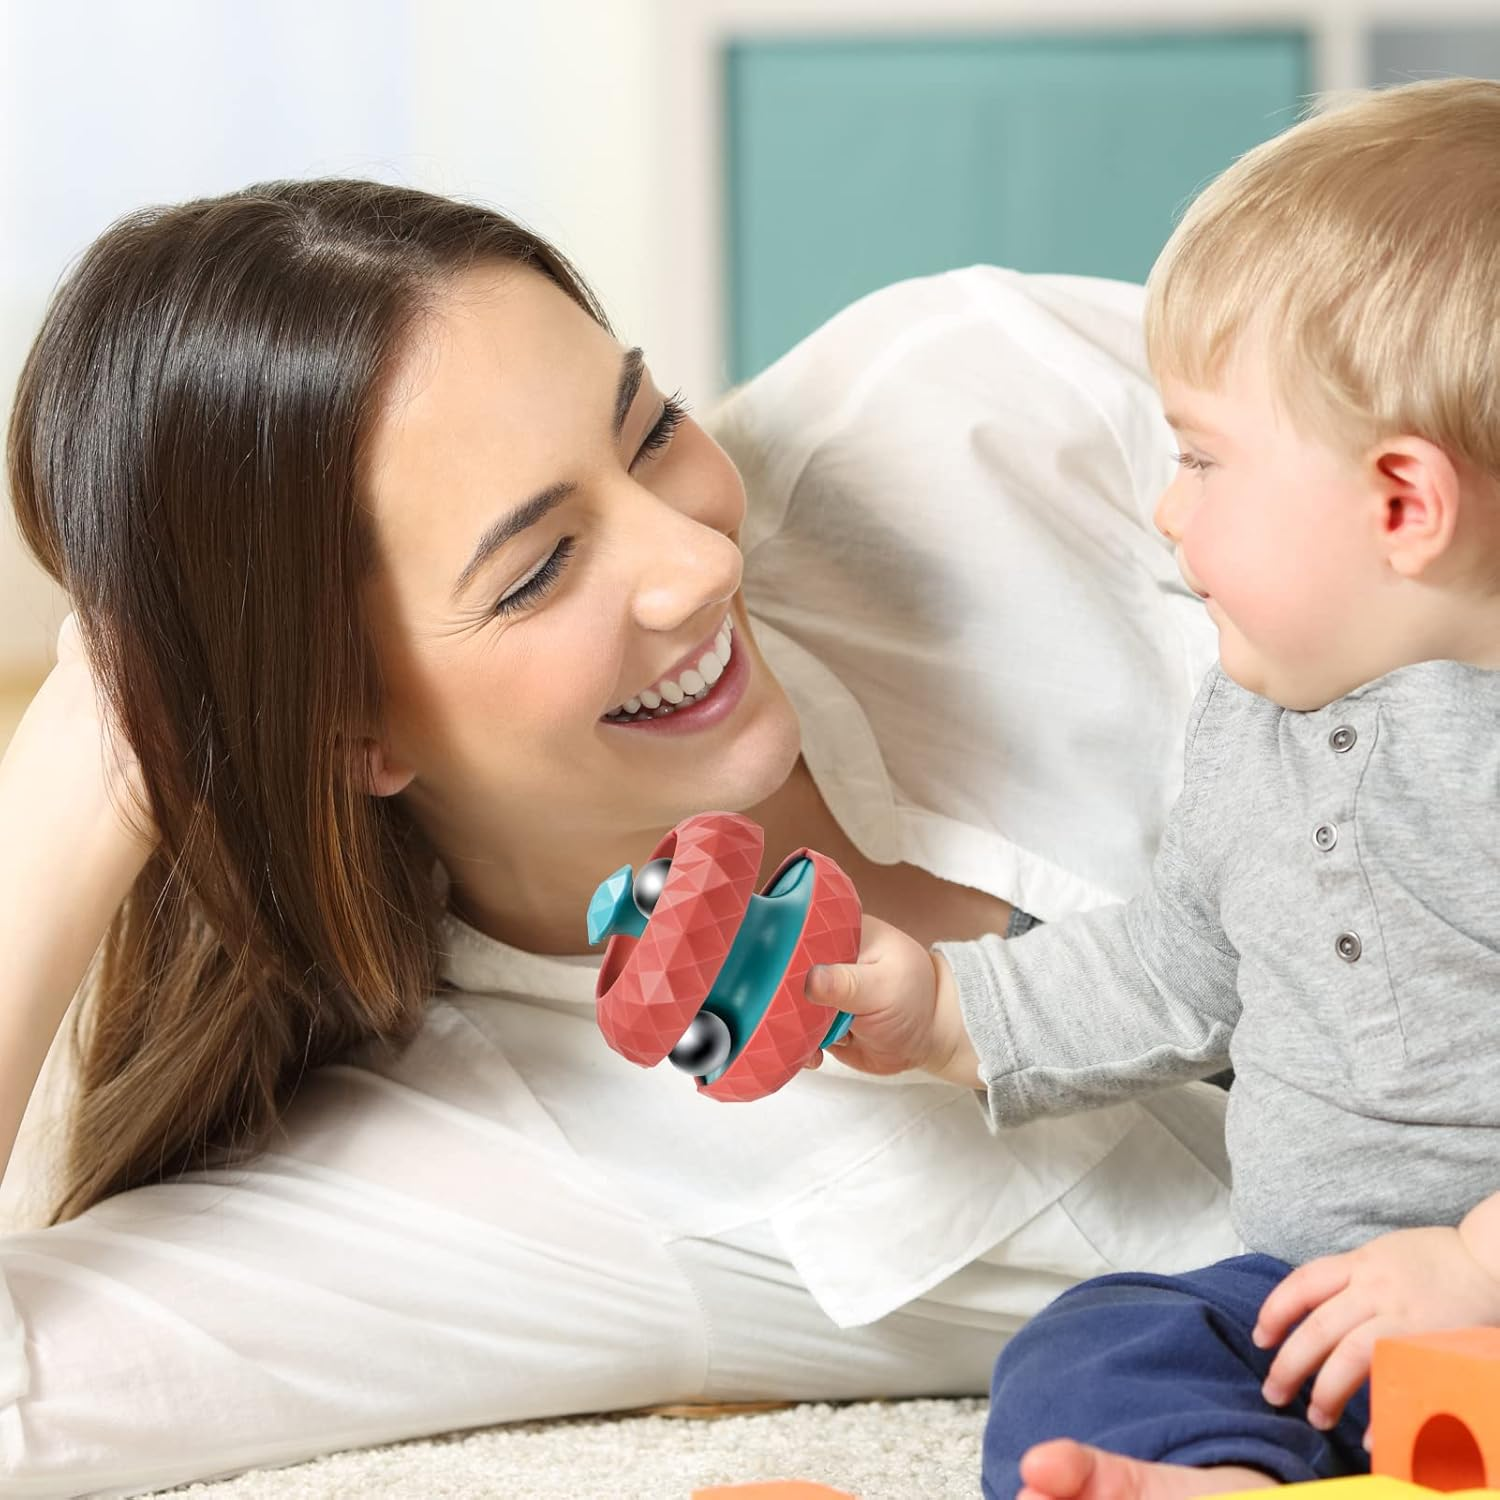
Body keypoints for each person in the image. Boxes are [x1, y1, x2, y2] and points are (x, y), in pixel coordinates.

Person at [0, 177, 1239, 1497]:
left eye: (649, 432)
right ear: (347, 735)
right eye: (536, 570)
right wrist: (88, 760)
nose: (697, 565)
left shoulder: (972, 401)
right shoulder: (493, 1169)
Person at [802, 78, 1500, 1500]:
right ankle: (1214, 1476)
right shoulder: (1253, 719)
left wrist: (1473, 1267)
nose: (1168, 513)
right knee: (1104, 1336)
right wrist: (947, 1009)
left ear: (1400, 505)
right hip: (1309, 1306)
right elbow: (1180, 959)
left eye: (1202, 459)